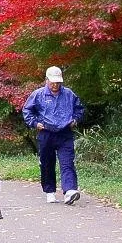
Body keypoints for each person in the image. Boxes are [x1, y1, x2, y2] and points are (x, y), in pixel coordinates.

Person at [22, 66, 86, 205]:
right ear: (46, 80)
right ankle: (50, 191)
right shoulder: (38, 94)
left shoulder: (69, 94)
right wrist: (34, 123)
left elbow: (79, 109)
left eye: (58, 82)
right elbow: (27, 111)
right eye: (52, 82)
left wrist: (75, 120)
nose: (55, 85)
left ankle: (69, 191)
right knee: (47, 163)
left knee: (67, 162)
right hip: (46, 133)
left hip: (65, 133)